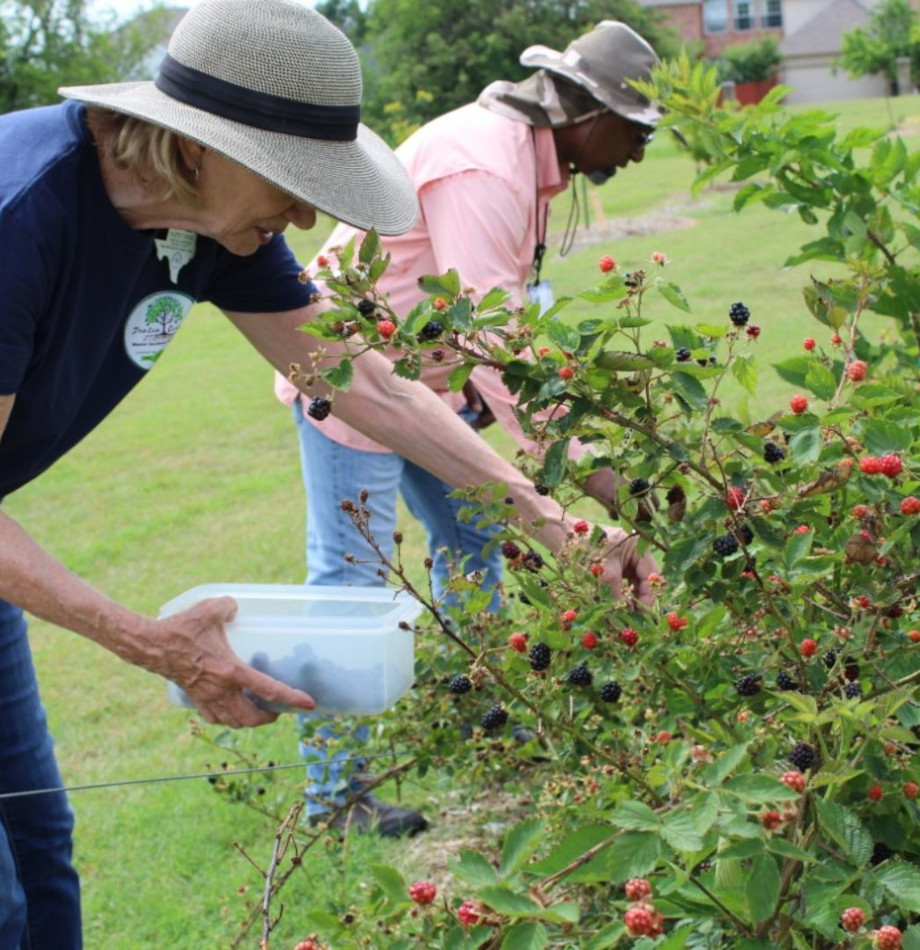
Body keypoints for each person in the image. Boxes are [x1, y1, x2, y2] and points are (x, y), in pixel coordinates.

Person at [0, 0, 656, 943]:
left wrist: (555, 522)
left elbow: (368, 384)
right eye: (291, 178)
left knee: (38, 854)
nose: (306, 215)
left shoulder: (217, 227)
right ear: (195, 149)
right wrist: (150, 641)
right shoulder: (21, 220)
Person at [275, 21, 662, 837]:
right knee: (352, 580)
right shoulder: (486, 164)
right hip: (352, 383)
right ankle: (334, 797)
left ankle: (480, 718)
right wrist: (590, 468)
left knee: (470, 539)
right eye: (635, 131)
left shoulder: (524, 159)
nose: (637, 152)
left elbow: (491, 327)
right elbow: (496, 339)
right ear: (590, 113)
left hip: (424, 391)